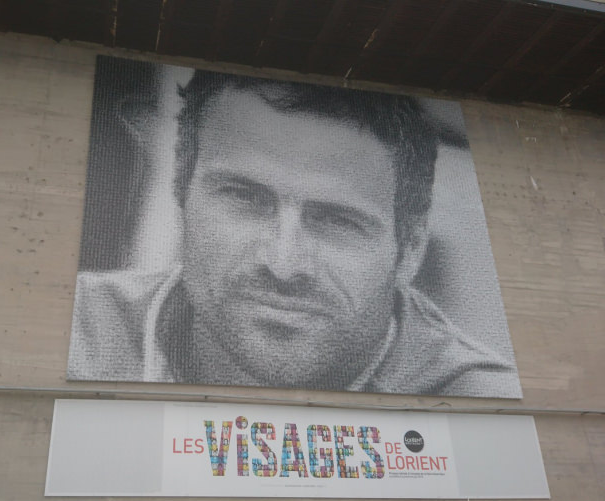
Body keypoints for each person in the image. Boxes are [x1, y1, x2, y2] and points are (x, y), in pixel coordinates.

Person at [67, 69, 520, 397]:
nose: (283, 265)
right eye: (244, 198)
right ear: (182, 196)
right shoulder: (75, 335)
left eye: (338, 222)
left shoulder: (480, 408)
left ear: (410, 252)